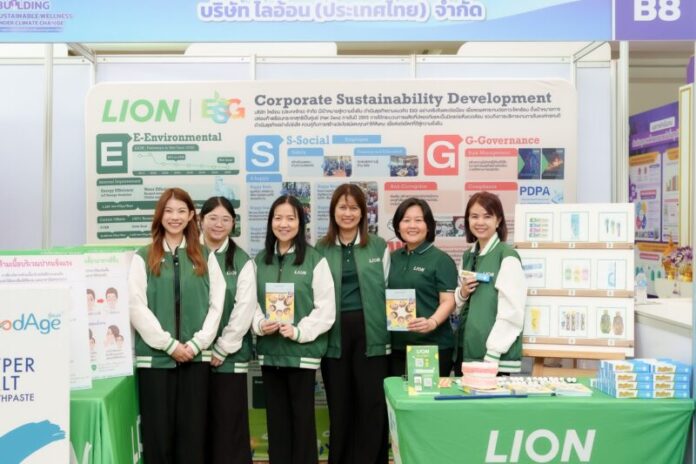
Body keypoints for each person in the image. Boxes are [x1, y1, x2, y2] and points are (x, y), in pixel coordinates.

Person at [129, 187, 225, 464]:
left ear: (191, 215)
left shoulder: (205, 256)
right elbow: (136, 306)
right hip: (156, 361)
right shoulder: (143, 256)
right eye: (169, 211)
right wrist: (169, 344)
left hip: (196, 359)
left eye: (181, 211)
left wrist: (196, 344)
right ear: (159, 215)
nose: (175, 217)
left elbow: (216, 305)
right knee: (158, 438)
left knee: (193, 439)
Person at [251, 194, 335, 464]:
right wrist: (260, 324)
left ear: (301, 223)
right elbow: (249, 304)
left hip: (302, 355)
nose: (284, 224)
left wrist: (299, 331)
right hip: (270, 353)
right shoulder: (259, 261)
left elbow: (326, 309)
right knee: (276, 424)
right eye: (278, 218)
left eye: (290, 218)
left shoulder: (314, 260)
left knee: (302, 422)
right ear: (270, 222)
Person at [316, 184, 390, 464]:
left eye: (354, 208)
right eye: (342, 207)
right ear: (333, 211)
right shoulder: (321, 249)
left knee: (371, 406)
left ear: (363, 212)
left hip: (372, 337)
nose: (348, 213)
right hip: (334, 338)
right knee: (340, 405)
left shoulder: (378, 246)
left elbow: (387, 289)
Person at [200, 196, 256, 464]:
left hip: (229, 357)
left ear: (233, 223)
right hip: (193, 355)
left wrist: (222, 348)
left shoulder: (242, 260)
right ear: (200, 220)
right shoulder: (188, 255)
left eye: (225, 219)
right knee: (198, 425)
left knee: (229, 427)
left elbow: (245, 308)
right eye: (212, 218)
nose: (218, 224)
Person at [454, 191, 526, 375]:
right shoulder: (468, 255)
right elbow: (459, 307)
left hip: (491, 357)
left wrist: (493, 353)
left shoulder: (507, 256)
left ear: (498, 220)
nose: (480, 222)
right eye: (474, 216)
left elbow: (512, 311)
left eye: (487, 216)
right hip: (466, 348)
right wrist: (462, 293)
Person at [387, 198, 458, 377]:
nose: (412, 225)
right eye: (406, 220)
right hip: (396, 348)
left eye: (418, 220)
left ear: (428, 226)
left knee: (426, 395)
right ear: (398, 226)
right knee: (395, 395)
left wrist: (432, 322)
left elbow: (448, 301)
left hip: (431, 347)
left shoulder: (440, 260)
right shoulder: (391, 258)